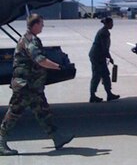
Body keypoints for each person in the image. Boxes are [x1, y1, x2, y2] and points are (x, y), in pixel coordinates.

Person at [0, 13, 74, 156]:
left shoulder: (31, 39)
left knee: (43, 112)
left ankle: (57, 138)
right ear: (35, 25)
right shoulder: (30, 41)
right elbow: (40, 60)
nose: (43, 26)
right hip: (25, 86)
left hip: (33, 87)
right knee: (14, 112)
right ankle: (1, 141)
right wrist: (59, 67)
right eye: (41, 23)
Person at [89, 17, 120, 103]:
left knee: (103, 75)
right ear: (107, 24)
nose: (112, 25)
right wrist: (110, 58)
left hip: (98, 56)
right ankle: (93, 95)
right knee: (98, 75)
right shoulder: (104, 33)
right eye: (111, 23)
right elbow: (104, 48)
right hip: (97, 56)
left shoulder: (104, 31)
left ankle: (108, 94)